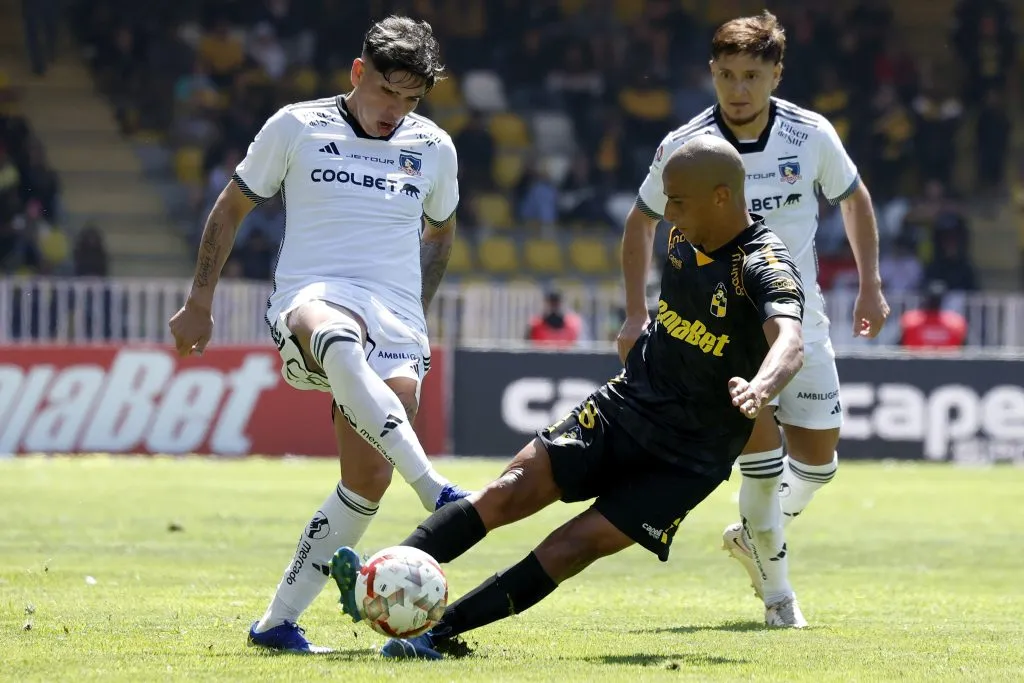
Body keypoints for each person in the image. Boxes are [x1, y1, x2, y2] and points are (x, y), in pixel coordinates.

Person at [331, 136, 807, 659]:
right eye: (667, 200)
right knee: (507, 490)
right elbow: (638, 224)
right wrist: (635, 314)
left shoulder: (762, 263)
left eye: (678, 202)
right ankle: (376, 581)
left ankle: (437, 634)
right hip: (626, 405)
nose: (668, 214)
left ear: (721, 196)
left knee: (572, 545)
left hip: (689, 454)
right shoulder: (682, 234)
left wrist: (761, 386)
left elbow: (790, 340)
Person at [167, 16, 469, 654]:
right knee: (335, 331)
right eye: (386, 91)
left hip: (396, 317)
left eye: (411, 99)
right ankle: (435, 489)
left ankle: (276, 624)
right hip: (313, 295)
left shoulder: (434, 146)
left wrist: (415, 313)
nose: (395, 111)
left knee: (367, 481)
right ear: (359, 72)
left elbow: (440, 234)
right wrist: (199, 301)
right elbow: (231, 206)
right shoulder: (297, 125)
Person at [617, 11, 890, 625]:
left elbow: (854, 199)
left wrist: (870, 285)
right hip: (721, 333)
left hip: (797, 323)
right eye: (726, 75)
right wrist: (635, 313)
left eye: (751, 76)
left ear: (776, 75)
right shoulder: (687, 145)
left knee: (817, 464)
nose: (738, 89)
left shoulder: (809, 134)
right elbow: (641, 221)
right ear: (711, 73)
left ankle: (753, 536)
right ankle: (780, 598)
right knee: (763, 471)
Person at [899, 281, 968, 349]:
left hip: (917, 356)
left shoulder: (910, 320)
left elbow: (899, 347)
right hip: (943, 357)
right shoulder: (956, 322)